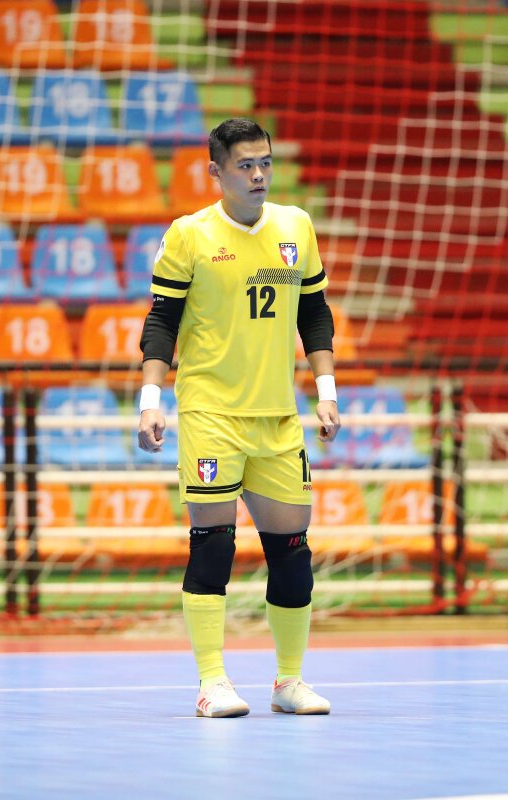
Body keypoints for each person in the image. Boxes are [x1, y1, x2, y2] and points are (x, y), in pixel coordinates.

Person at [137, 118, 341, 718]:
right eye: (245, 165)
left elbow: (314, 313)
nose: (258, 175)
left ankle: (288, 681)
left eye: (265, 163)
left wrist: (326, 390)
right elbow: (161, 322)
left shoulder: (296, 226)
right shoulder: (189, 235)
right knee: (213, 547)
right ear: (217, 171)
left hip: (277, 415)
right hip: (211, 413)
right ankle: (212, 683)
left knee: (292, 551)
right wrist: (150, 401)